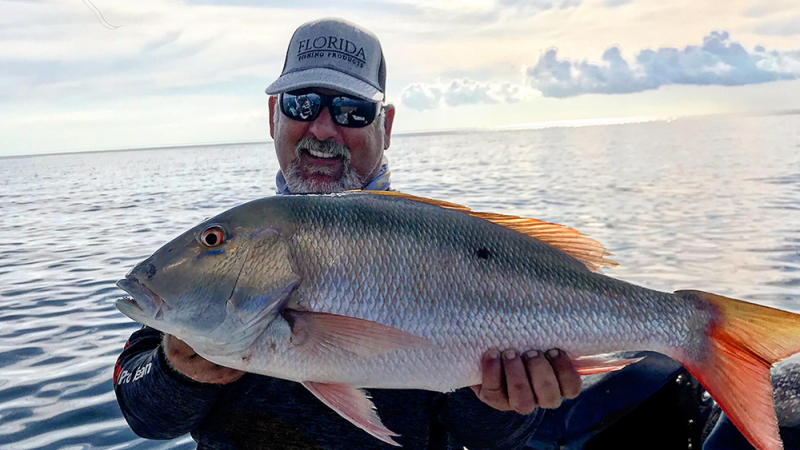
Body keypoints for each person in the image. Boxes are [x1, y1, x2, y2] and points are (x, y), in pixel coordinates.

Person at [114, 17, 582, 450]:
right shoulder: (237, 252)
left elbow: (492, 440)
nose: (322, 127)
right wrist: (176, 372)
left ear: (387, 125)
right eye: (302, 104)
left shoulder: (439, 241)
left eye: (352, 110)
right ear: (273, 115)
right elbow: (146, 416)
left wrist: (499, 401)